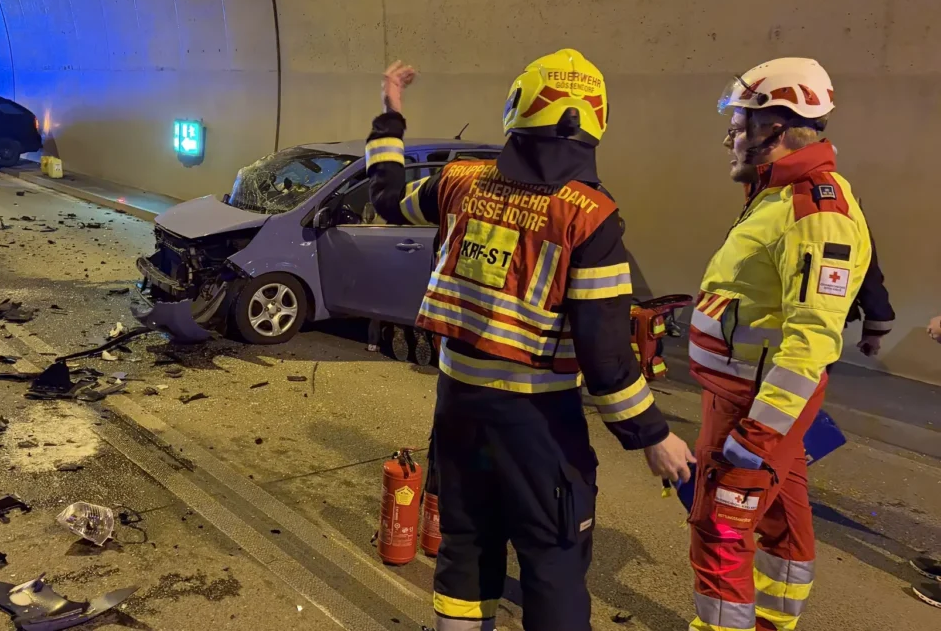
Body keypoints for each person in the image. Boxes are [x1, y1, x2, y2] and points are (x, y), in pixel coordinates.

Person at [367, 50, 695, 631]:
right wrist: (653, 436)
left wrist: (391, 113)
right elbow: (605, 354)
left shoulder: (459, 183)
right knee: (554, 560)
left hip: (458, 409)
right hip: (538, 423)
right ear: (593, 122)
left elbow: (387, 197)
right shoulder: (589, 217)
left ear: (517, 110)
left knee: (465, 550)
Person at [687, 58, 872, 631]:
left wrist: (758, 433)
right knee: (783, 525)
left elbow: (813, 336)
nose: (729, 137)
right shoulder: (778, 195)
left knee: (718, 532)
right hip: (751, 398)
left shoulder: (813, 211)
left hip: (756, 406)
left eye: (739, 124)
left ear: (776, 126)